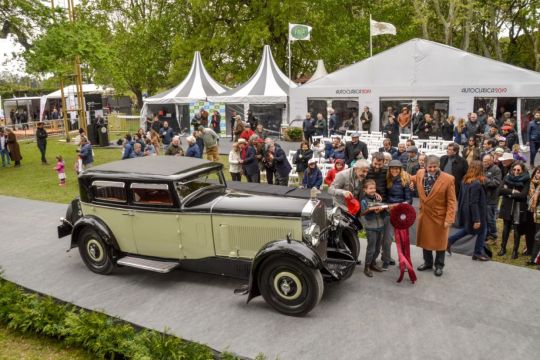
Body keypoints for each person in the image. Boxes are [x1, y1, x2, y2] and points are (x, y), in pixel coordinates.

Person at [412, 155, 457, 277]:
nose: (432, 169)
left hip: (440, 217)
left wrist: (449, 218)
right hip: (425, 214)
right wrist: (408, 180)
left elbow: (452, 201)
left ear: (439, 166)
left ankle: (439, 265)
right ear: (425, 166)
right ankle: (427, 263)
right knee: (425, 240)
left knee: (440, 243)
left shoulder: (448, 179)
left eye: (435, 166)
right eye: (429, 167)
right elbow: (414, 178)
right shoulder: (420, 173)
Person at [447, 160, 489, 261]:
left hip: (466, 210)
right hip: (475, 211)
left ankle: (449, 241)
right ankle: (477, 253)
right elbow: (473, 202)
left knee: (468, 229)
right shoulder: (476, 184)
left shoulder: (465, 180)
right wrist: (477, 219)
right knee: (482, 231)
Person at [498, 162, 530, 258]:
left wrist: (508, 193)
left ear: (522, 170)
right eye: (514, 169)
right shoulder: (507, 177)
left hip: (519, 207)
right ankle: (503, 248)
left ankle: (515, 251)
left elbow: (523, 194)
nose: (516, 171)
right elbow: (500, 190)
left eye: (518, 170)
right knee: (506, 228)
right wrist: (512, 191)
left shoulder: (526, 179)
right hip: (507, 206)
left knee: (517, 229)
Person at [359, 179, 388, 277]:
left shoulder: (378, 198)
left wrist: (383, 209)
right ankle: (366, 267)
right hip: (370, 227)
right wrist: (373, 212)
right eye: (370, 188)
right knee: (371, 248)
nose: (373, 190)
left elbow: (383, 211)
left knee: (377, 248)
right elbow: (365, 215)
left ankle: (372, 263)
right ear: (365, 190)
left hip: (380, 226)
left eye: (374, 188)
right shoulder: (363, 201)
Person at [482, 154, 502, 245]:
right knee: (484, 218)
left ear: (491, 161)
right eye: (483, 161)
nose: (484, 163)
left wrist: (484, 179)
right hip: (483, 198)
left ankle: (493, 237)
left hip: (491, 199)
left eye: (486, 161)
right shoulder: (483, 169)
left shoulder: (496, 169)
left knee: (490, 219)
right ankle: (485, 236)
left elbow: (496, 183)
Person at [526, 166, 540, 265]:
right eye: (538, 172)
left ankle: (534, 258)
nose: (538, 175)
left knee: (538, 235)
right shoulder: (532, 183)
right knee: (536, 234)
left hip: (538, 212)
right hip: (533, 211)